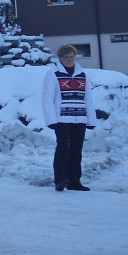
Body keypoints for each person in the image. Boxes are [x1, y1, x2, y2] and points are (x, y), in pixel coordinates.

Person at [41, 44, 97, 191]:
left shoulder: (82, 74)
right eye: (67, 57)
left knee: (76, 151)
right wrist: (52, 121)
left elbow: (88, 99)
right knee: (62, 149)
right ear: (60, 58)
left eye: (72, 57)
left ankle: (74, 181)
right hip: (62, 120)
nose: (70, 60)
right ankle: (60, 180)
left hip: (80, 119)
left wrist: (91, 120)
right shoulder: (53, 74)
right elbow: (47, 99)